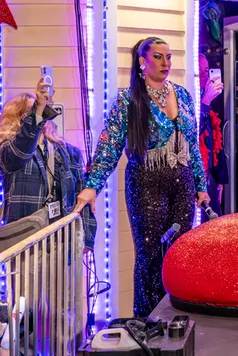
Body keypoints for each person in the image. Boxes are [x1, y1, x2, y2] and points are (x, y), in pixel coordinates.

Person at [74, 36, 210, 318]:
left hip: (183, 182)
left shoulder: (183, 94)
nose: (165, 63)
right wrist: (92, 186)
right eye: (158, 57)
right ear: (142, 62)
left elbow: (193, 145)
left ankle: (176, 318)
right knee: (150, 255)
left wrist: (201, 185)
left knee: (179, 252)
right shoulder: (128, 99)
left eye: (169, 57)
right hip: (146, 182)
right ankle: (148, 322)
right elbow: (110, 146)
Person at [0, 81, 96, 249]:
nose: (41, 112)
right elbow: (21, 150)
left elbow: (82, 195)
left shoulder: (69, 152)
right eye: (33, 110)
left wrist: (87, 239)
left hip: (62, 241)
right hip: (24, 244)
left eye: (43, 108)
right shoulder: (8, 150)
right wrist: (37, 110)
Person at [198, 53, 227, 221]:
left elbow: (215, 142)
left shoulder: (208, 96)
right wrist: (205, 102)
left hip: (210, 176)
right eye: (200, 70)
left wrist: (219, 179)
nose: (204, 75)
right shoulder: (192, 98)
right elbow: (194, 133)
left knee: (215, 224)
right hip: (197, 176)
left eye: (206, 70)